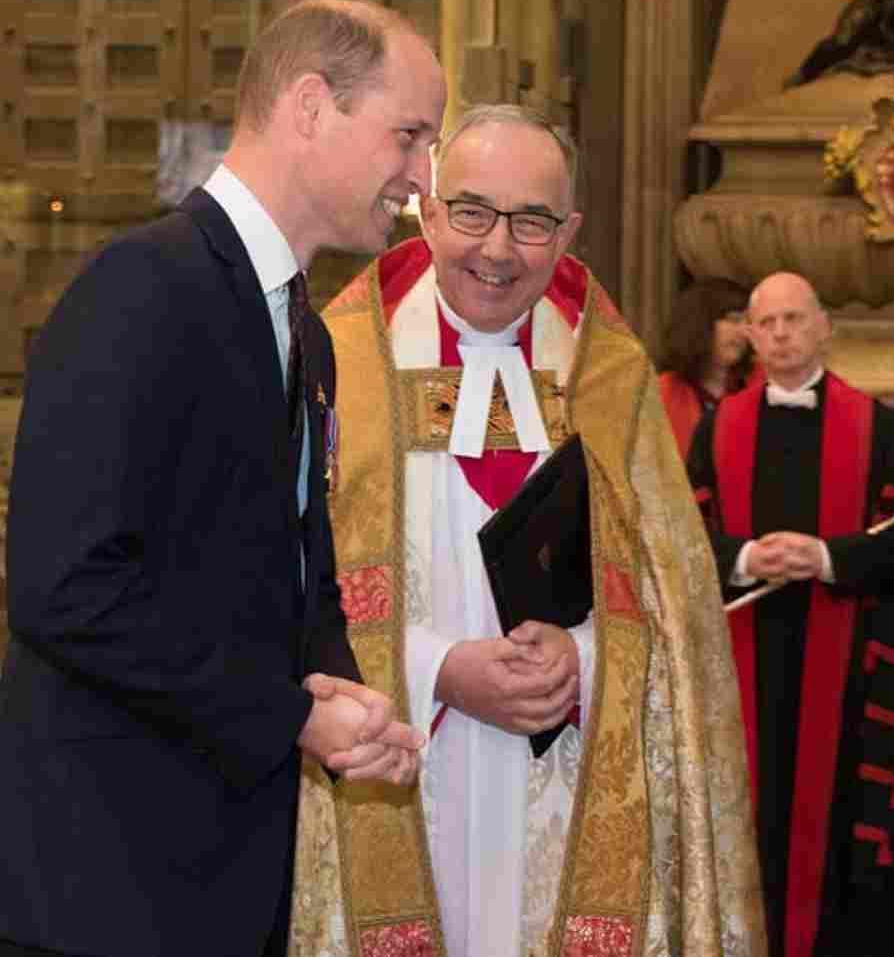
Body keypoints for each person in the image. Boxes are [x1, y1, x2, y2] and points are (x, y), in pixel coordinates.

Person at [0, 0, 437, 957]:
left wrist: (344, 697)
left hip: (229, 875)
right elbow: (65, 590)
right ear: (311, 106)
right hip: (109, 883)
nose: (420, 177)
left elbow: (288, 566)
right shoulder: (141, 286)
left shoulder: (306, 328)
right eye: (408, 135)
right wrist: (290, 715)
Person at [288, 104, 766, 957]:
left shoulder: (610, 378)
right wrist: (439, 668)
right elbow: (284, 587)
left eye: (532, 221)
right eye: (472, 212)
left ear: (569, 231)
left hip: (567, 772)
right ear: (430, 211)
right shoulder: (338, 365)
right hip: (402, 760)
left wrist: (582, 660)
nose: (498, 249)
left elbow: (675, 606)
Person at [688, 271, 894, 957]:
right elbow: (678, 540)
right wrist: (746, 558)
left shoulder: (877, 425)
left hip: (848, 675)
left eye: (794, 319)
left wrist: (829, 557)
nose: (781, 334)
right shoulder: (718, 427)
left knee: (837, 836)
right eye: (767, 322)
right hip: (743, 672)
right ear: (750, 335)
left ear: (824, 326)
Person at [657, 276, 757, 460]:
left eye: (748, 322)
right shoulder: (663, 393)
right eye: (734, 320)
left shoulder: (759, 384)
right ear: (700, 323)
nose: (744, 332)